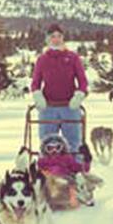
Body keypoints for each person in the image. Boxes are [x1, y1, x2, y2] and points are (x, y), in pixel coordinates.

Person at [29, 25, 88, 159]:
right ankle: (47, 172)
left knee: (74, 144)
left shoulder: (73, 58)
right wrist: (38, 96)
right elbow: (35, 82)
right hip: (48, 107)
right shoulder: (42, 59)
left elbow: (83, 81)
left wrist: (78, 96)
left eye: (59, 36)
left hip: (70, 107)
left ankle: (75, 171)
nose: (56, 40)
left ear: (63, 38)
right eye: (52, 37)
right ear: (48, 39)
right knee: (47, 143)